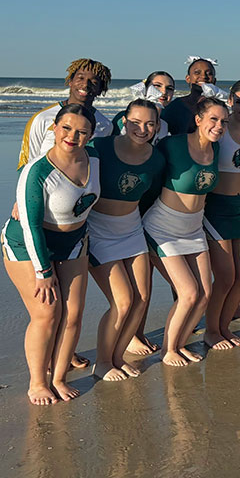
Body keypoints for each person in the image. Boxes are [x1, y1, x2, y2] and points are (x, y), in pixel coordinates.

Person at [2, 104, 100, 404]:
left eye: (82, 131)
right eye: (66, 128)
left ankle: (58, 378)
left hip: (73, 242)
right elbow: (31, 227)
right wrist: (44, 273)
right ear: (54, 129)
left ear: (91, 135)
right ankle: (37, 382)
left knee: (72, 314)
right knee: (46, 314)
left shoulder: (94, 158)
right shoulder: (38, 171)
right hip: (28, 245)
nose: (73, 136)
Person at [85, 99, 166, 381]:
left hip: (131, 230)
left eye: (150, 123)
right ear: (124, 121)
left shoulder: (156, 159)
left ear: (157, 127)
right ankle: (103, 362)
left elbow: (152, 196)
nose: (142, 129)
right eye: (136, 122)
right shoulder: (100, 149)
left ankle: (117, 357)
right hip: (98, 231)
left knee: (141, 299)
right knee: (122, 301)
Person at [143, 96, 225, 366]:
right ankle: (168, 350)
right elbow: (144, 165)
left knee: (204, 294)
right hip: (163, 228)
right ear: (198, 119)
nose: (219, 125)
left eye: (223, 121)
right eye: (213, 119)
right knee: (188, 293)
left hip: (194, 229)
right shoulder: (172, 145)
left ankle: (180, 343)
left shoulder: (217, 149)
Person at [202, 81, 240, 350]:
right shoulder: (219, 132)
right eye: (239, 102)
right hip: (217, 210)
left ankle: (224, 327)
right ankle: (210, 330)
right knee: (225, 276)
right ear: (230, 101)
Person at [18, 58, 114, 168]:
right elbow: (27, 163)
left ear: (101, 89)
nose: (85, 85)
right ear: (70, 81)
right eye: (80, 78)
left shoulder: (105, 126)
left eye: (94, 82)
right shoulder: (42, 118)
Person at [163, 57, 218, 135]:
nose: (203, 76)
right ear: (188, 78)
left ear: (214, 80)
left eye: (209, 73)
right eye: (197, 73)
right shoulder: (177, 106)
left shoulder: (219, 107)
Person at [110, 71, 175, 137]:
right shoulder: (124, 117)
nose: (164, 92)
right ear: (146, 87)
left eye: (169, 88)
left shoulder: (165, 125)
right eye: (157, 85)